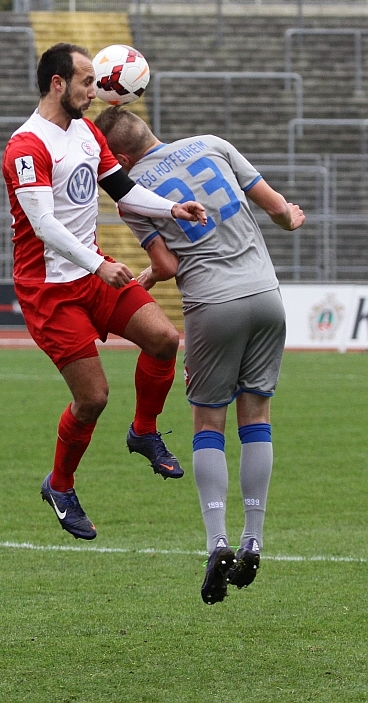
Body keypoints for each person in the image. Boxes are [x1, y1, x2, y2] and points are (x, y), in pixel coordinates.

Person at [94, 106, 305, 603]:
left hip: (213, 305)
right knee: (257, 418)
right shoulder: (212, 144)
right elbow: (276, 208)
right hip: (267, 296)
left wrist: (149, 275)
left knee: (209, 423)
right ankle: (254, 537)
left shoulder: (131, 194)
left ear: (121, 159)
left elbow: (167, 264)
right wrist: (290, 219)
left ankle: (218, 542)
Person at [2, 43, 206, 542]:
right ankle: (60, 485)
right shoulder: (26, 147)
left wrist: (171, 208)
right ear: (57, 83)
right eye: (87, 82)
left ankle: (144, 431)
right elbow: (45, 225)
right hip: (50, 291)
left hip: (93, 274)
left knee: (164, 339)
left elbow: (124, 190)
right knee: (92, 398)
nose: (96, 92)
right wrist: (100, 264)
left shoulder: (88, 133)